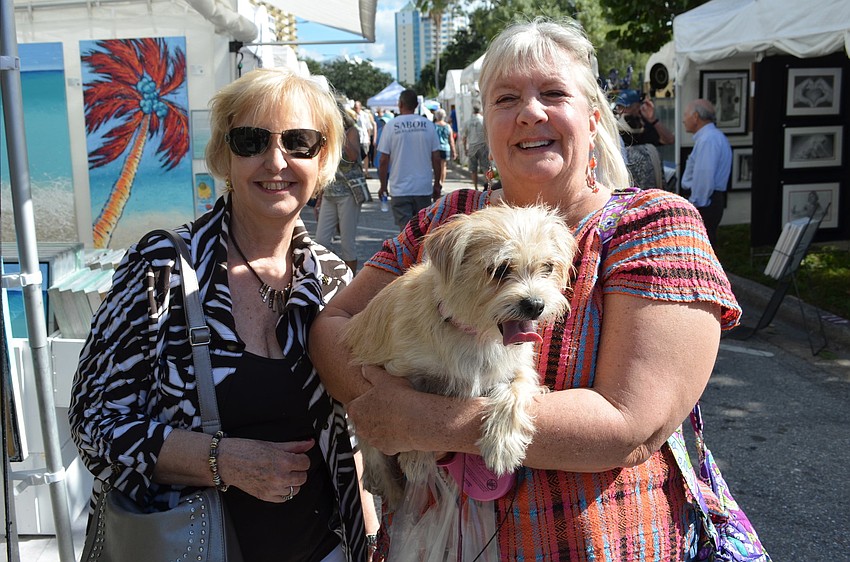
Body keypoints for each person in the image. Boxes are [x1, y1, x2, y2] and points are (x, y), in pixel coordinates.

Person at [310, 18, 755, 561]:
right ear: (487, 125)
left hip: (592, 543)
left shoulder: (651, 225)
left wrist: (419, 420)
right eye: (506, 98)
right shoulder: (448, 221)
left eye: (553, 93)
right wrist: (377, 394)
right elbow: (333, 329)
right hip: (433, 536)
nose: (530, 112)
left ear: (593, 119)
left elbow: (629, 425)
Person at [69, 67, 367, 561]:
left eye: (299, 141)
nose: (276, 161)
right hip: (191, 548)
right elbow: (95, 422)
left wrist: (370, 534)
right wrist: (221, 460)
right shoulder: (162, 267)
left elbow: (349, 435)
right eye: (251, 140)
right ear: (226, 156)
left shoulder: (333, 279)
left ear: (324, 158)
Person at [376, 88, 442, 230]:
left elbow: (383, 160)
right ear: (416, 105)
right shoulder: (428, 125)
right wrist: (437, 183)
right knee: (423, 231)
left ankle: (407, 253)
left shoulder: (391, 126)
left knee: (405, 234)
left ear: (400, 104)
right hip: (423, 188)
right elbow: (437, 158)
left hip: (400, 189)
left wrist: (383, 185)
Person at [316, 105, 364, 273]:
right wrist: (319, 198)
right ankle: (328, 275)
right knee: (320, 240)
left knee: (347, 243)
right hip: (329, 192)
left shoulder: (351, 131)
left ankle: (350, 283)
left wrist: (339, 135)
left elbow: (353, 156)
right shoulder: (325, 134)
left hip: (348, 193)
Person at [681, 98, 733, 246]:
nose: (684, 120)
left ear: (696, 116)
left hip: (705, 204)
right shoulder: (711, 137)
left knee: (702, 250)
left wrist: (695, 206)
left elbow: (704, 177)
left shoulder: (708, 140)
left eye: (686, 115)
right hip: (709, 202)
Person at [462, 102, 488, 189]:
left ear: (472, 111)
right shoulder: (483, 120)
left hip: (472, 146)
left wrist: (465, 148)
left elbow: (464, 137)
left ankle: (476, 187)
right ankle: (487, 186)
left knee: (473, 169)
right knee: (485, 167)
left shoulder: (467, 122)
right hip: (482, 145)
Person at [433, 108, 457, 185]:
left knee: (436, 166)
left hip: (436, 148)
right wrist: (454, 151)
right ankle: (441, 183)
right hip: (445, 148)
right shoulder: (448, 126)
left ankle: (437, 182)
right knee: (443, 166)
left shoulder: (433, 126)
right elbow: (451, 140)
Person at [354, 100, 375, 176]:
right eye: (355, 107)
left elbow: (368, 127)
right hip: (356, 139)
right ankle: (359, 171)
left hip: (364, 138)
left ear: (360, 107)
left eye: (357, 107)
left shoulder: (364, 115)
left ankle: (366, 171)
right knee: (357, 155)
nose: (356, 109)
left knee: (365, 155)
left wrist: (369, 138)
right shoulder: (353, 115)